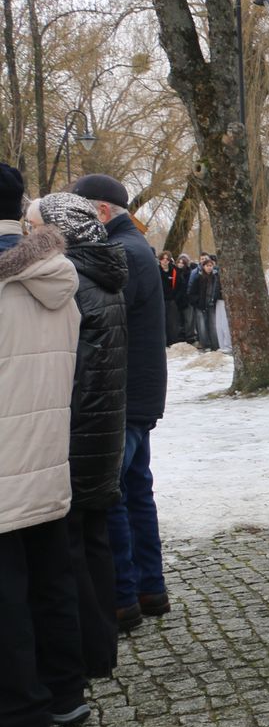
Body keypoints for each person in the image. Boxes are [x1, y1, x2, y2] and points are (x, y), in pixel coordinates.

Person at [0, 192, 90, 727]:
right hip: (47, 458)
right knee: (51, 579)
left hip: (7, 466)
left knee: (7, 598)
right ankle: (63, 693)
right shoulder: (56, 277)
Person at [36, 193, 129, 679]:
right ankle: (101, 648)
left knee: (73, 545)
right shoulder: (102, 274)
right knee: (94, 541)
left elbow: (72, 369)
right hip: (102, 428)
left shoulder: (73, 281)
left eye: (38, 227)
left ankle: (87, 653)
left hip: (79, 430)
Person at [70, 174, 168, 634]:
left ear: (102, 211)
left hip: (122, 395)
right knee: (134, 491)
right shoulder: (132, 246)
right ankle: (148, 589)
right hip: (133, 393)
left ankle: (123, 597)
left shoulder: (122, 251)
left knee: (113, 497)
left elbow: (101, 319)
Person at [158, 252, 179, 345]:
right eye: (163, 259)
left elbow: (180, 285)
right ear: (160, 260)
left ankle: (173, 341)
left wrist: (175, 297)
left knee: (173, 322)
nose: (165, 261)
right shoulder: (157, 271)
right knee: (162, 321)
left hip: (172, 300)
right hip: (161, 300)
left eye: (167, 259)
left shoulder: (174, 270)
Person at [174, 254, 196, 342]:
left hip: (187, 299)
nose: (180, 264)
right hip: (177, 299)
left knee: (189, 320)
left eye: (182, 263)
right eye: (179, 262)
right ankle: (180, 336)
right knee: (178, 319)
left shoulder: (190, 273)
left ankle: (190, 336)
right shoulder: (174, 272)